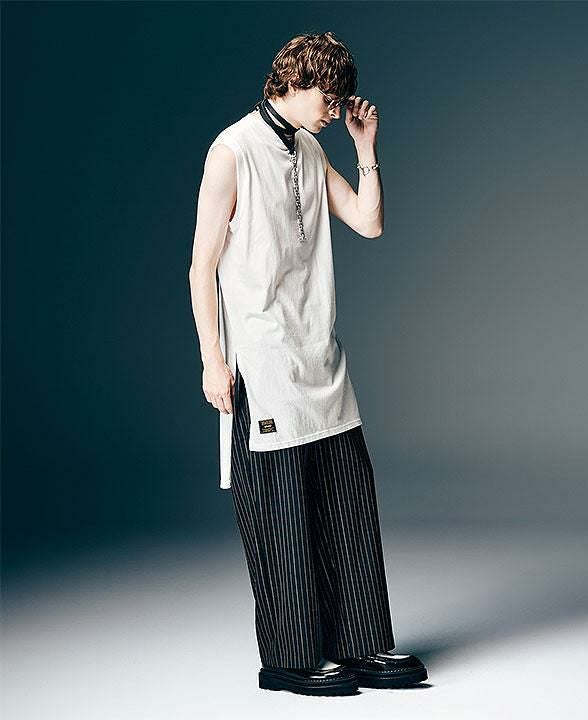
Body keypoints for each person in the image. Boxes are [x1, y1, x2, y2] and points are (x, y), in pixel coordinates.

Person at [189, 31, 428, 696]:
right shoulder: (232, 151)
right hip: (262, 359)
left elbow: (368, 222)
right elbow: (201, 266)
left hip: (319, 349)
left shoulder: (314, 147)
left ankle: (361, 642)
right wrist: (212, 359)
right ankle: (291, 659)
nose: (334, 107)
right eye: (329, 96)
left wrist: (364, 148)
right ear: (294, 82)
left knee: (349, 500)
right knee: (283, 511)